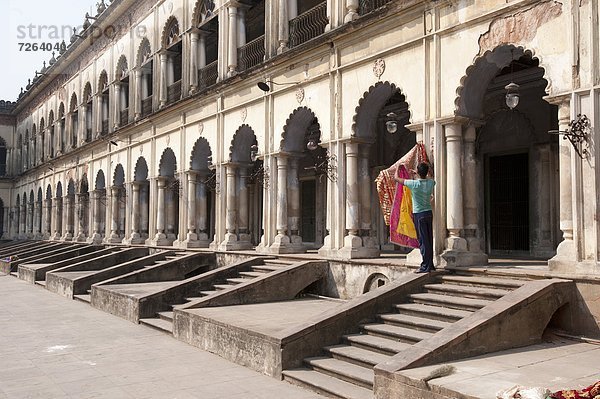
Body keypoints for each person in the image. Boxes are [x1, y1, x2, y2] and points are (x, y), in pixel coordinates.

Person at [394, 162, 436, 273]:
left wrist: (398, 167)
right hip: (428, 213)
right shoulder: (431, 183)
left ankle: (425, 266)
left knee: (423, 241)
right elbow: (429, 177)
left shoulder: (414, 184)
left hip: (419, 214)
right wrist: (418, 173)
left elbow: (396, 178)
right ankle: (430, 264)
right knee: (429, 240)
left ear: (418, 172)